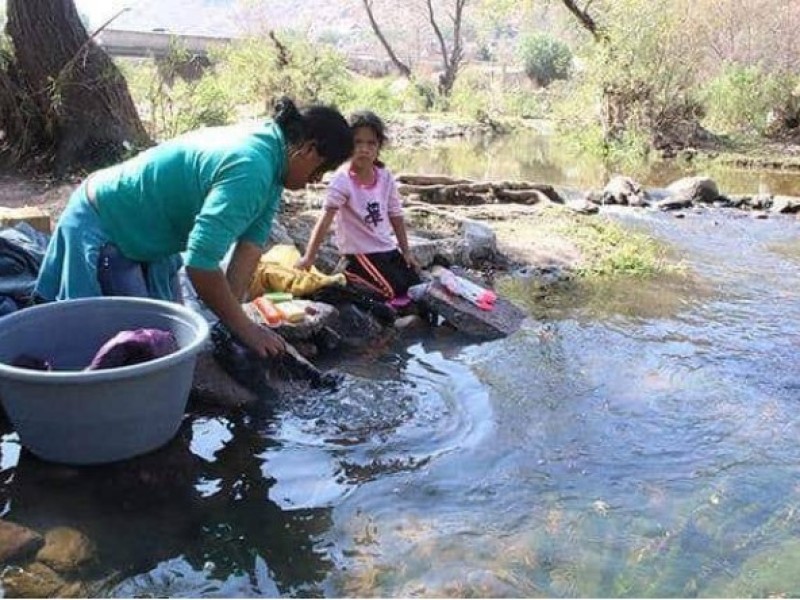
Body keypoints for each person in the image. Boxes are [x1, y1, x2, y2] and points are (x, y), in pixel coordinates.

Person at [34, 97, 353, 358]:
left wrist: (236, 320)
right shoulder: (251, 166)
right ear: (308, 150)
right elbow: (200, 263)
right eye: (322, 170)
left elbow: (250, 247)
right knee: (138, 350)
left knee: (176, 339)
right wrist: (245, 329)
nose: (318, 180)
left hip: (147, 234)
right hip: (106, 223)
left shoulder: (274, 162)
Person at [295, 110, 420, 302]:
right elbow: (325, 220)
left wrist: (406, 252)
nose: (364, 149)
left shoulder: (385, 177)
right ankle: (349, 274)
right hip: (360, 253)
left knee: (413, 286)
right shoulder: (343, 179)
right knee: (388, 292)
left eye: (371, 143)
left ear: (379, 147)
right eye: (358, 142)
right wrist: (308, 258)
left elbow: (395, 214)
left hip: (386, 248)